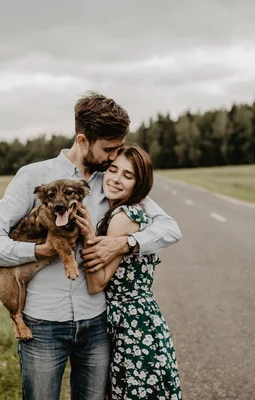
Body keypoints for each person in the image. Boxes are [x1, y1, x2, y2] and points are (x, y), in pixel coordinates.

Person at [0, 92, 182, 400]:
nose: (114, 158)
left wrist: (123, 244)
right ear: (83, 140)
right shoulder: (33, 176)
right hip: (43, 324)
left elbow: (169, 228)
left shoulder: (110, 180)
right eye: (109, 149)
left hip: (97, 325)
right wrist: (39, 251)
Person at [75, 145, 182, 400]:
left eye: (128, 175)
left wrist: (89, 236)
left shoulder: (123, 217)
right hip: (141, 319)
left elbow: (96, 284)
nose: (116, 179)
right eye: (113, 170)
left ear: (139, 183)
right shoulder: (129, 212)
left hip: (131, 326)